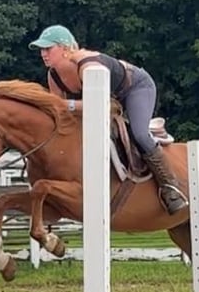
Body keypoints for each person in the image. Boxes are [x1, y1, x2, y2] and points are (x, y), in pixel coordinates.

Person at [28, 25, 189, 214]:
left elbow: (95, 104)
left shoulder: (89, 66)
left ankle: (171, 188)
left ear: (64, 49)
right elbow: (61, 111)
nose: (43, 53)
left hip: (135, 88)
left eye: (48, 49)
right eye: (42, 49)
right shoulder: (53, 74)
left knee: (140, 133)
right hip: (107, 98)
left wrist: (67, 106)